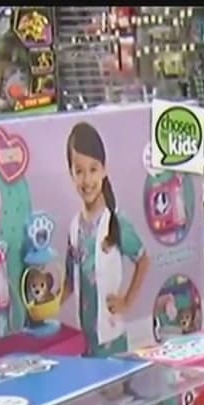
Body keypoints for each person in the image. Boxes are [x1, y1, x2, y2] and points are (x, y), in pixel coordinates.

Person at [63, 122, 150, 356]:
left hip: (111, 338)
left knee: (113, 380)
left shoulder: (115, 222)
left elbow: (143, 260)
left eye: (93, 169)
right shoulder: (74, 227)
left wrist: (127, 301)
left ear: (104, 169)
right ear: (71, 174)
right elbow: (71, 281)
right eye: (79, 171)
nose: (87, 180)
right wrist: (46, 307)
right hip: (84, 340)